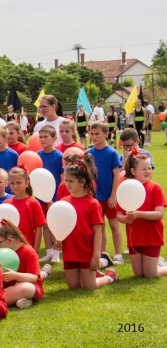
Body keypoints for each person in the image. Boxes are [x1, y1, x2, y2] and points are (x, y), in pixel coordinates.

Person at [57, 157, 119, 289]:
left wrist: (96, 255)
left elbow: (98, 232)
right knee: (73, 287)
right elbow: (60, 227)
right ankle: (94, 274)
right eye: (66, 180)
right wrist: (58, 240)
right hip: (70, 251)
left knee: (89, 287)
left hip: (86, 251)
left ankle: (109, 277)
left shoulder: (92, 203)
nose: (67, 184)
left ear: (82, 182)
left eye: (71, 181)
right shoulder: (63, 202)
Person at [116, 151, 167, 278]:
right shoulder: (126, 188)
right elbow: (118, 214)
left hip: (152, 237)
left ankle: (160, 265)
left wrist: (138, 214)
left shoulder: (155, 188)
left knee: (150, 274)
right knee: (139, 275)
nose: (148, 171)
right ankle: (155, 263)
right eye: (143, 169)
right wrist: (125, 219)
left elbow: (159, 214)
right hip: (135, 238)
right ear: (133, 171)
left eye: (150, 168)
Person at [86, 122, 123, 265]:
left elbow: (116, 175)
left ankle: (118, 254)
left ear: (106, 134)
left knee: (114, 225)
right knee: (99, 227)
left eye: (97, 134)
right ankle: (103, 253)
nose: (94, 137)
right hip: (95, 198)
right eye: (92, 134)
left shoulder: (112, 153)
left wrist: (113, 195)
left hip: (109, 196)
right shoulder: (88, 153)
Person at [0, 220, 49, 308]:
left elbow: (34, 278)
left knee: (25, 288)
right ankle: (17, 300)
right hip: (8, 288)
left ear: (9, 240)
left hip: (28, 286)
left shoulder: (28, 252)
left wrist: (15, 276)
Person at [37, 125, 64, 263]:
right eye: (40, 137)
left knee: (55, 224)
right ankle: (48, 252)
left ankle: (56, 252)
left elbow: (62, 177)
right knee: (45, 225)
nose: (42, 139)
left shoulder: (59, 156)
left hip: (54, 196)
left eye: (46, 137)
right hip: (40, 196)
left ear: (54, 139)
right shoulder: (37, 156)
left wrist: (59, 197)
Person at [4, 167, 45, 253]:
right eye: (12, 183)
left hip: (28, 248)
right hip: (10, 249)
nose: (15, 186)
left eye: (19, 183)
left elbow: (38, 229)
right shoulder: (6, 204)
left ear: (27, 183)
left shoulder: (33, 203)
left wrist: (35, 251)